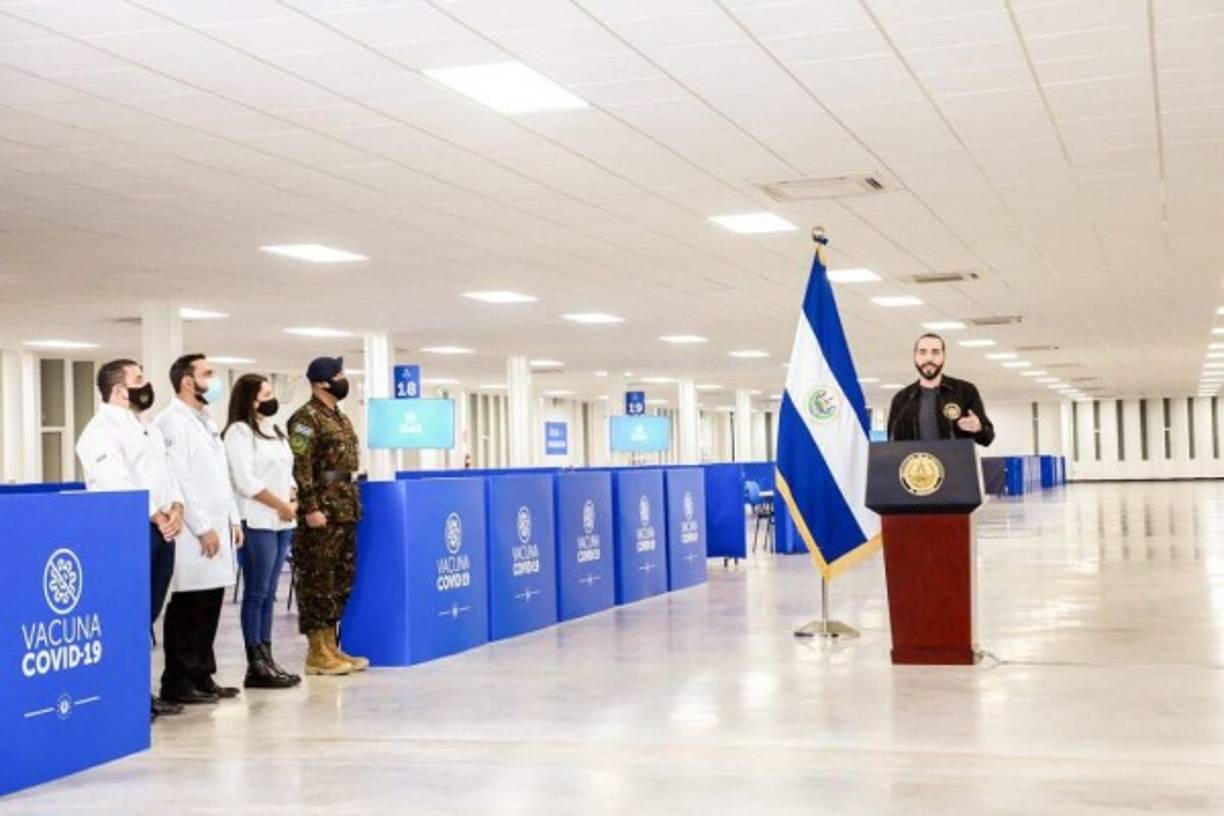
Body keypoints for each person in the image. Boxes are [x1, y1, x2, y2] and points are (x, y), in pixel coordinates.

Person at [76, 358, 186, 721]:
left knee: (145, 616)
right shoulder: (98, 432)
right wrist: (156, 514)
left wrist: (175, 507)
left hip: (160, 528)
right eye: (139, 379)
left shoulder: (145, 427)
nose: (146, 385)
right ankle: (122, 696)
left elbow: (165, 472)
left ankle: (140, 692)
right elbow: (117, 481)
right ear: (119, 390)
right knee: (126, 616)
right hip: (128, 531)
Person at [155, 354, 244, 704]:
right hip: (193, 532)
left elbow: (221, 477)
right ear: (187, 382)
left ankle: (203, 675)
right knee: (188, 606)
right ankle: (178, 681)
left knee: (210, 603)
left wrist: (233, 519)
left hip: (217, 526)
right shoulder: (171, 422)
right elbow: (179, 480)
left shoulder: (206, 421)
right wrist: (203, 526)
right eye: (208, 374)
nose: (215, 380)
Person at [288, 356, 368, 675]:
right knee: (317, 579)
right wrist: (310, 507)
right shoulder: (305, 418)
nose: (343, 379)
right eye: (339, 375)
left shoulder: (340, 416)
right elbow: (301, 466)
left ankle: (331, 646)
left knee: (339, 578)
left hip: (344, 507)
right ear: (321, 383)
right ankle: (316, 652)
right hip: (321, 508)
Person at [223, 373, 300, 690]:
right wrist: (280, 504)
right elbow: (245, 481)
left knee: (270, 593)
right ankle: (254, 662)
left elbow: (287, 471)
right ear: (250, 400)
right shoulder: (239, 433)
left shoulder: (274, 430)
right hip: (257, 520)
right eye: (265, 394)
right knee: (256, 592)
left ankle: (267, 657)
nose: (271, 399)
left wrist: (292, 498)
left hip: (283, 521)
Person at [887, 332, 995, 446]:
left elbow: (988, 438)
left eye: (935, 352)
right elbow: (892, 444)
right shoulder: (902, 399)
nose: (929, 358)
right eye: (922, 352)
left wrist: (978, 428)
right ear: (915, 357)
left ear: (944, 357)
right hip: (916, 458)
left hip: (955, 458)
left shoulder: (965, 391)